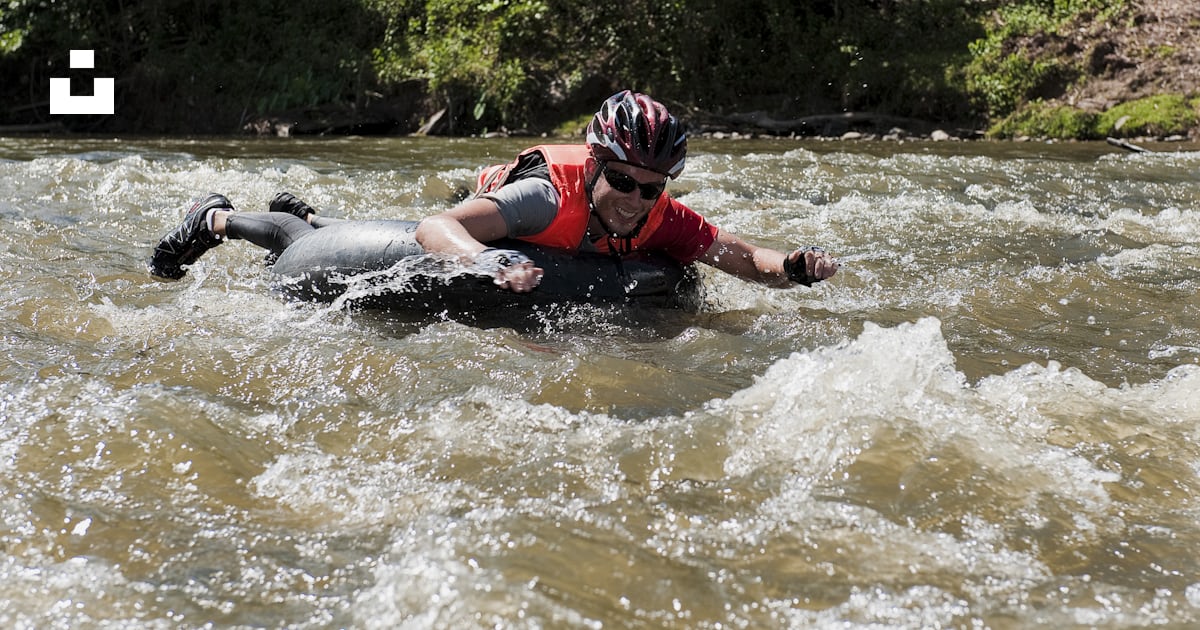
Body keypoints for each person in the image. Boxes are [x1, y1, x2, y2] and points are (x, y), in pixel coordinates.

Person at [148, 90, 838, 292]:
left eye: (651, 188)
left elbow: (736, 254)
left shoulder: (659, 216)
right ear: (596, 166)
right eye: (623, 180)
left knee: (338, 224)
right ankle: (215, 217)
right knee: (314, 243)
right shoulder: (544, 198)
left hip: (519, 242)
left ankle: (307, 211)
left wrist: (797, 267)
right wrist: (484, 262)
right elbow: (433, 228)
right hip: (483, 210)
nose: (634, 198)